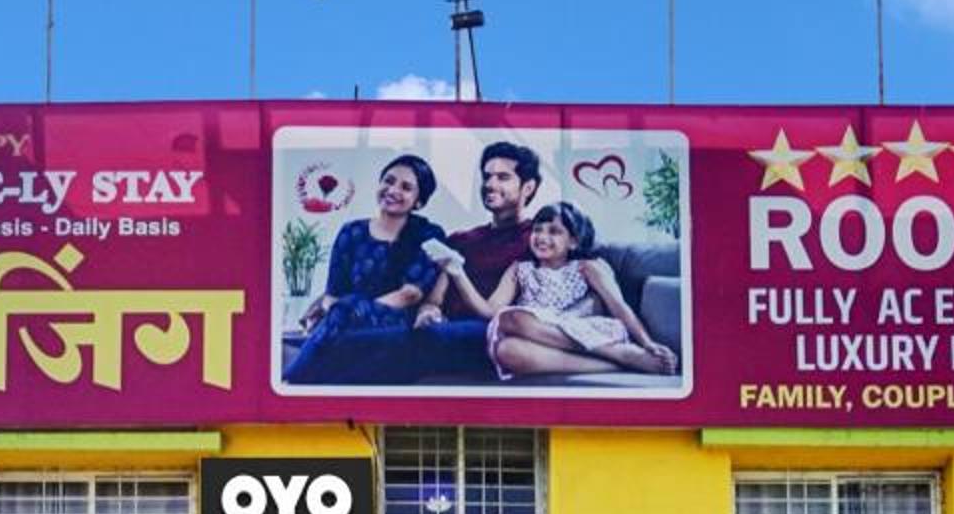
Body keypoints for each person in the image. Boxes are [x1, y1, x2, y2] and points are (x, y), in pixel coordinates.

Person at [422, 202, 678, 380]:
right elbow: (489, 311)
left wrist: (647, 343)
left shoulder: (588, 267)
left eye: (554, 231)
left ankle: (620, 352)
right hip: (542, 339)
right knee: (505, 349)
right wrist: (458, 273)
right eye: (537, 230)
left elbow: (619, 307)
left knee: (513, 318)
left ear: (574, 241)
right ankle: (617, 362)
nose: (542, 237)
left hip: (586, 331)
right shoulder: (519, 269)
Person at [283, 155, 443, 384]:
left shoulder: (428, 234)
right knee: (337, 317)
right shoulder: (352, 231)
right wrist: (339, 310)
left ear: (419, 202)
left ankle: (292, 382)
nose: (393, 190)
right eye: (388, 181)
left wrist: (355, 309)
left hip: (396, 317)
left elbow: (410, 294)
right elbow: (333, 293)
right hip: (345, 316)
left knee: (345, 310)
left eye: (406, 187)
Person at [415, 139, 544, 327]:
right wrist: (428, 313)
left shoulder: (538, 240)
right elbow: (434, 301)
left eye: (503, 177)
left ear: (528, 187)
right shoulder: (461, 240)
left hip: (499, 333)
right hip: (446, 331)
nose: (490, 184)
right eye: (486, 176)